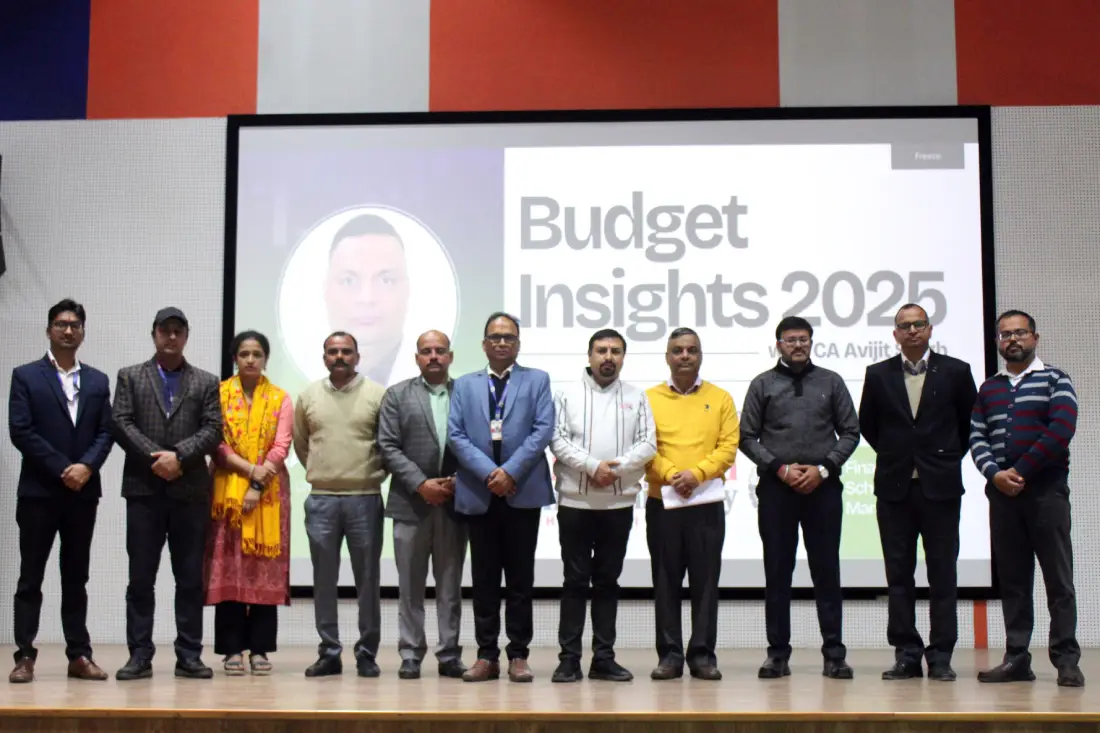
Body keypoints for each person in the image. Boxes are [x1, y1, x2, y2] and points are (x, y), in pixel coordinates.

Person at [858, 304, 977, 682]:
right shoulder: (877, 375)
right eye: (904, 326)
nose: (912, 331)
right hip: (894, 487)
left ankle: (940, 654)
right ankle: (907, 653)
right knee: (899, 576)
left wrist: (938, 458)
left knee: (943, 573)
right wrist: (900, 456)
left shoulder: (957, 371)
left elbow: (968, 423)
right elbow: (869, 426)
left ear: (929, 329)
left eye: (918, 324)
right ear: (894, 334)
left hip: (940, 487)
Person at [739, 316, 860, 680]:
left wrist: (823, 468)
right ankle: (777, 655)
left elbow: (851, 432)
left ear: (811, 343)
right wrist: (780, 468)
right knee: (777, 573)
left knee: (827, 571)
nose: (797, 346)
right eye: (790, 340)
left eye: (803, 340)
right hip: (777, 489)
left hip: (823, 488)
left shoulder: (831, 382)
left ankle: (834, 655)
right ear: (778, 344)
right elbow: (746, 437)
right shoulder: (763, 384)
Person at [969, 310, 1084, 687]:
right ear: (998, 343)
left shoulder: (1055, 379)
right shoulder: (989, 388)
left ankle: (1066, 660)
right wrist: (994, 474)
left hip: (1046, 493)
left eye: (1020, 333)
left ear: (1035, 337)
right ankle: (1017, 658)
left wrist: (1021, 469)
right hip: (1003, 496)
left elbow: (1061, 430)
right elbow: (977, 436)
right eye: (1005, 335)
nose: (1012, 340)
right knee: (1014, 582)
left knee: (1058, 580)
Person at [112, 307, 222, 680]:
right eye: (165, 331)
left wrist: (180, 457)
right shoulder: (130, 377)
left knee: (189, 578)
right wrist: (156, 458)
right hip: (144, 490)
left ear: (186, 335)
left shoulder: (207, 381)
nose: (171, 337)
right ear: (154, 334)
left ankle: (189, 654)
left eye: (178, 331)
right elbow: (121, 422)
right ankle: (140, 655)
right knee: (141, 578)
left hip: (190, 491)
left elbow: (213, 429)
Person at [7, 299, 114, 683]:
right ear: (48, 330)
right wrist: (61, 468)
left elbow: (107, 432)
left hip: (83, 492)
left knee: (76, 576)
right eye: (60, 324)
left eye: (75, 325)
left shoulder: (99, 381)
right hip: (39, 492)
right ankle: (24, 655)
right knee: (30, 577)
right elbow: (21, 431)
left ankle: (79, 655)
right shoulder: (25, 376)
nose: (68, 330)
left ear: (83, 332)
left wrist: (85, 467)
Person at [448, 312, 554, 683]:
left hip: (521, 490)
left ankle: (519, 655)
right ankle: (486, 654)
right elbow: (456, 435)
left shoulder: (537, 380)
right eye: (495, 337)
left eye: (509, 337)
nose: (502, 343)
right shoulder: (464, 385)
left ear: (518, 344)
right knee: (485, 580)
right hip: (480, 491)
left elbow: (543, 430)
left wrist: (509, 472)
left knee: (521, 580)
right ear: (484, 344)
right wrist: (489, 474)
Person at [550, 328, 656, 683]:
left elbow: (648, 444)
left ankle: (603, 659)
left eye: (615, 351)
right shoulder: (566, 394)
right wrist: (592, 467)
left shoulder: (637, 396)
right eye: (601, 350)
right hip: (575, 503)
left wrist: (616, 469)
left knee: (608, 582)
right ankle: (568, 659)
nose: (608, 357)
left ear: (623, 357)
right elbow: (557, 439)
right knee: (575, 581)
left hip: (618, 504)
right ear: (590, 355)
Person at [645, 327, 738, 682]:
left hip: (706, 504)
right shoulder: (649, 398)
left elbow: (728, 447)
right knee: (665, 581)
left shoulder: (721, 398)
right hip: (662, 502)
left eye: (692, 350)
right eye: (677, 350)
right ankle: (669, 656)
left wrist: (696, 474)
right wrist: (670, 475)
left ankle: (702, 655)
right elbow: (643, 446)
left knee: (705, 582)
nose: (685, 356)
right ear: (667, 357)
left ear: (700, 356)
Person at [293, 332, 388, 678]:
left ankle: (367, 653)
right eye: (332, 351)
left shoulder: (377, 394)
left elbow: (387, 444)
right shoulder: (308, 396)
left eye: (346, 351)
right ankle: (329, 652)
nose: (339, 357)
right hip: (322, 500)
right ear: (324, 358)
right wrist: (325, 473)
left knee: (368, 580)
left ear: (357, 357)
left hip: (365, 498)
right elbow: (303, 444)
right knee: (324, 580)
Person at [377, 330, 467, 680]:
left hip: (455, 501)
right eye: (426, 351)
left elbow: (479, 442)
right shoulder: (397, 395)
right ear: (416, 357)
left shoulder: (467, 394)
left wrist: (459, 480)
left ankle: (449, 654)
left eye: (440, 351)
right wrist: (420, 484)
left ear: (450, 356)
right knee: (410, 586)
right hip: (410, 503)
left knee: (450, 586)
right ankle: (411, 653)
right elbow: (387, 445)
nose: (433, 356)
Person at [204, 331, 293, 676]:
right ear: (234, 359)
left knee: (261, 568)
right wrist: (248, 470)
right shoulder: (219, 395)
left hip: (269, 493)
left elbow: (282, 446)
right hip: (226, 491)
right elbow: (217, 442)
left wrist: (258, 481)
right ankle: (230, 650)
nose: (251, 359)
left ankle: (259, 649)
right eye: (244, 354)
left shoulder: (280, 398)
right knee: (229, 567)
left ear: (266, 359)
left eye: (257, 353)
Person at [323, 214, 411, 386]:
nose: (367, 299)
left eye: (386, 280)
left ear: (407, 291)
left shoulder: (455, 387)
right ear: (326, 292)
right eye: (348, 281)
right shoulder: (305, 394)